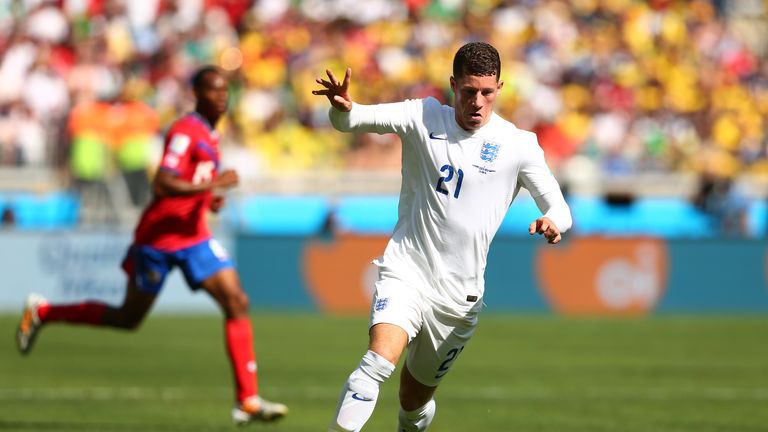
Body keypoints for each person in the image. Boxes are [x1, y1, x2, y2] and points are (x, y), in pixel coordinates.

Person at [312, 42, 572, 431]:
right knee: (377, 361)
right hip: (407, 270)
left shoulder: (519, 145)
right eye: (469, 92)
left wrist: (553, 220)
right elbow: (351, 121)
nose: (478, 102)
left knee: (412, 402)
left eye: (487, 92)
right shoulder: (422, 115)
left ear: (500, 88)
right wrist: (342, 107)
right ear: (454, 86)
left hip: (459, 297)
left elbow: (560, 209)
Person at [16, 66, 288, 425]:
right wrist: (211, 187)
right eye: (213, 90)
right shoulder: (185, 131)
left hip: (193, 237)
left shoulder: (210, 133)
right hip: (158, 240)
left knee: (236, 300)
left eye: (226, 91)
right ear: (197, 94)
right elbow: (163, 184)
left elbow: (191, 184)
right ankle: (44, 312)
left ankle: (247, 400)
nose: (222, 97)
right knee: (128, 318)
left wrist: (208, 202)